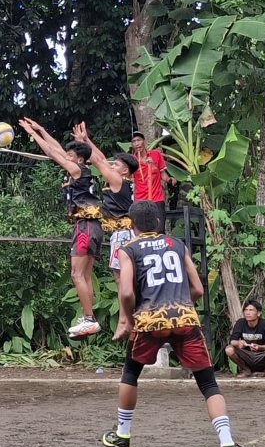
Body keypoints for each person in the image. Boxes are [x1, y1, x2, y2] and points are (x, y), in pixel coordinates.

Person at [103, 200, 252, 447]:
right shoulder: (177, 244)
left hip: (149, 320)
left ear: (132, 225)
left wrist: (128, 319)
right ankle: (227, 445)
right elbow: (197, 289)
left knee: (131, 373)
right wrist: (182, 307)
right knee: (207, 383)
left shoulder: (129, 249)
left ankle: (123, 436)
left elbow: (126, 291)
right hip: (184, 318)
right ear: (159, 223)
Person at [17, 115, 117, 338]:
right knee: (85, 274)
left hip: (86, 225)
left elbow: (52, 153)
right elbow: (58, 150)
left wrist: (32, 134)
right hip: (91, 226)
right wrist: (41, 129)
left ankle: (89, 319)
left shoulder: (78, 171)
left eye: (70, 156)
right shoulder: (80, 169)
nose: (66, 157)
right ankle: (88, 318)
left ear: (79, 160)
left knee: (76, 274)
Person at [72, 123, 140, 277]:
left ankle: (127, 302)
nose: (112, 166)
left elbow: (98, 162)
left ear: (125, 170)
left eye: (116, 164)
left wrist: (82, 143)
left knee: (121, 277)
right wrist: (86, 139)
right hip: (127, 231)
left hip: (123, 233)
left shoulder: (117, 180)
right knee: (127, 276)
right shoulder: (125, 182)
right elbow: (102, 158)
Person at [226, 301, 265, 377]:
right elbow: (232, 341)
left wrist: (260, 347)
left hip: (262, 355)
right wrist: (239, 343)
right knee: (229, 349)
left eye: (251, 310)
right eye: (246, 310)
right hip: (246, 355)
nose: (248, 313)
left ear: (258, 313)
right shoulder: (240, 323)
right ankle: (245, 370)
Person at [130, 131, 168, 204]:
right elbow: (130, 179)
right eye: (133, 141)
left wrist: (169, 180)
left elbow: (163, 174)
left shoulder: (156, 154)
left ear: (144, 141)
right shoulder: (131, 160)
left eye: (139, 140)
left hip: (157, 198)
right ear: (132, 144)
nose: (136, 143)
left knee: (159, 215)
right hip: (139, 200)